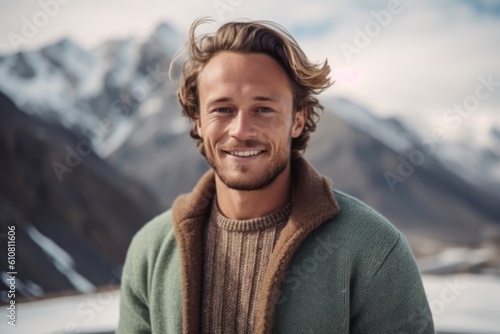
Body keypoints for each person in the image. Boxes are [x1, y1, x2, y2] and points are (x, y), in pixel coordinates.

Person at [117, 18, 434, 334]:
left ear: (298, 120)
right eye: (222, 109)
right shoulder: (150, 251)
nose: (241, 131)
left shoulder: (374, 249)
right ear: (198, 120)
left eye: (263, 109)